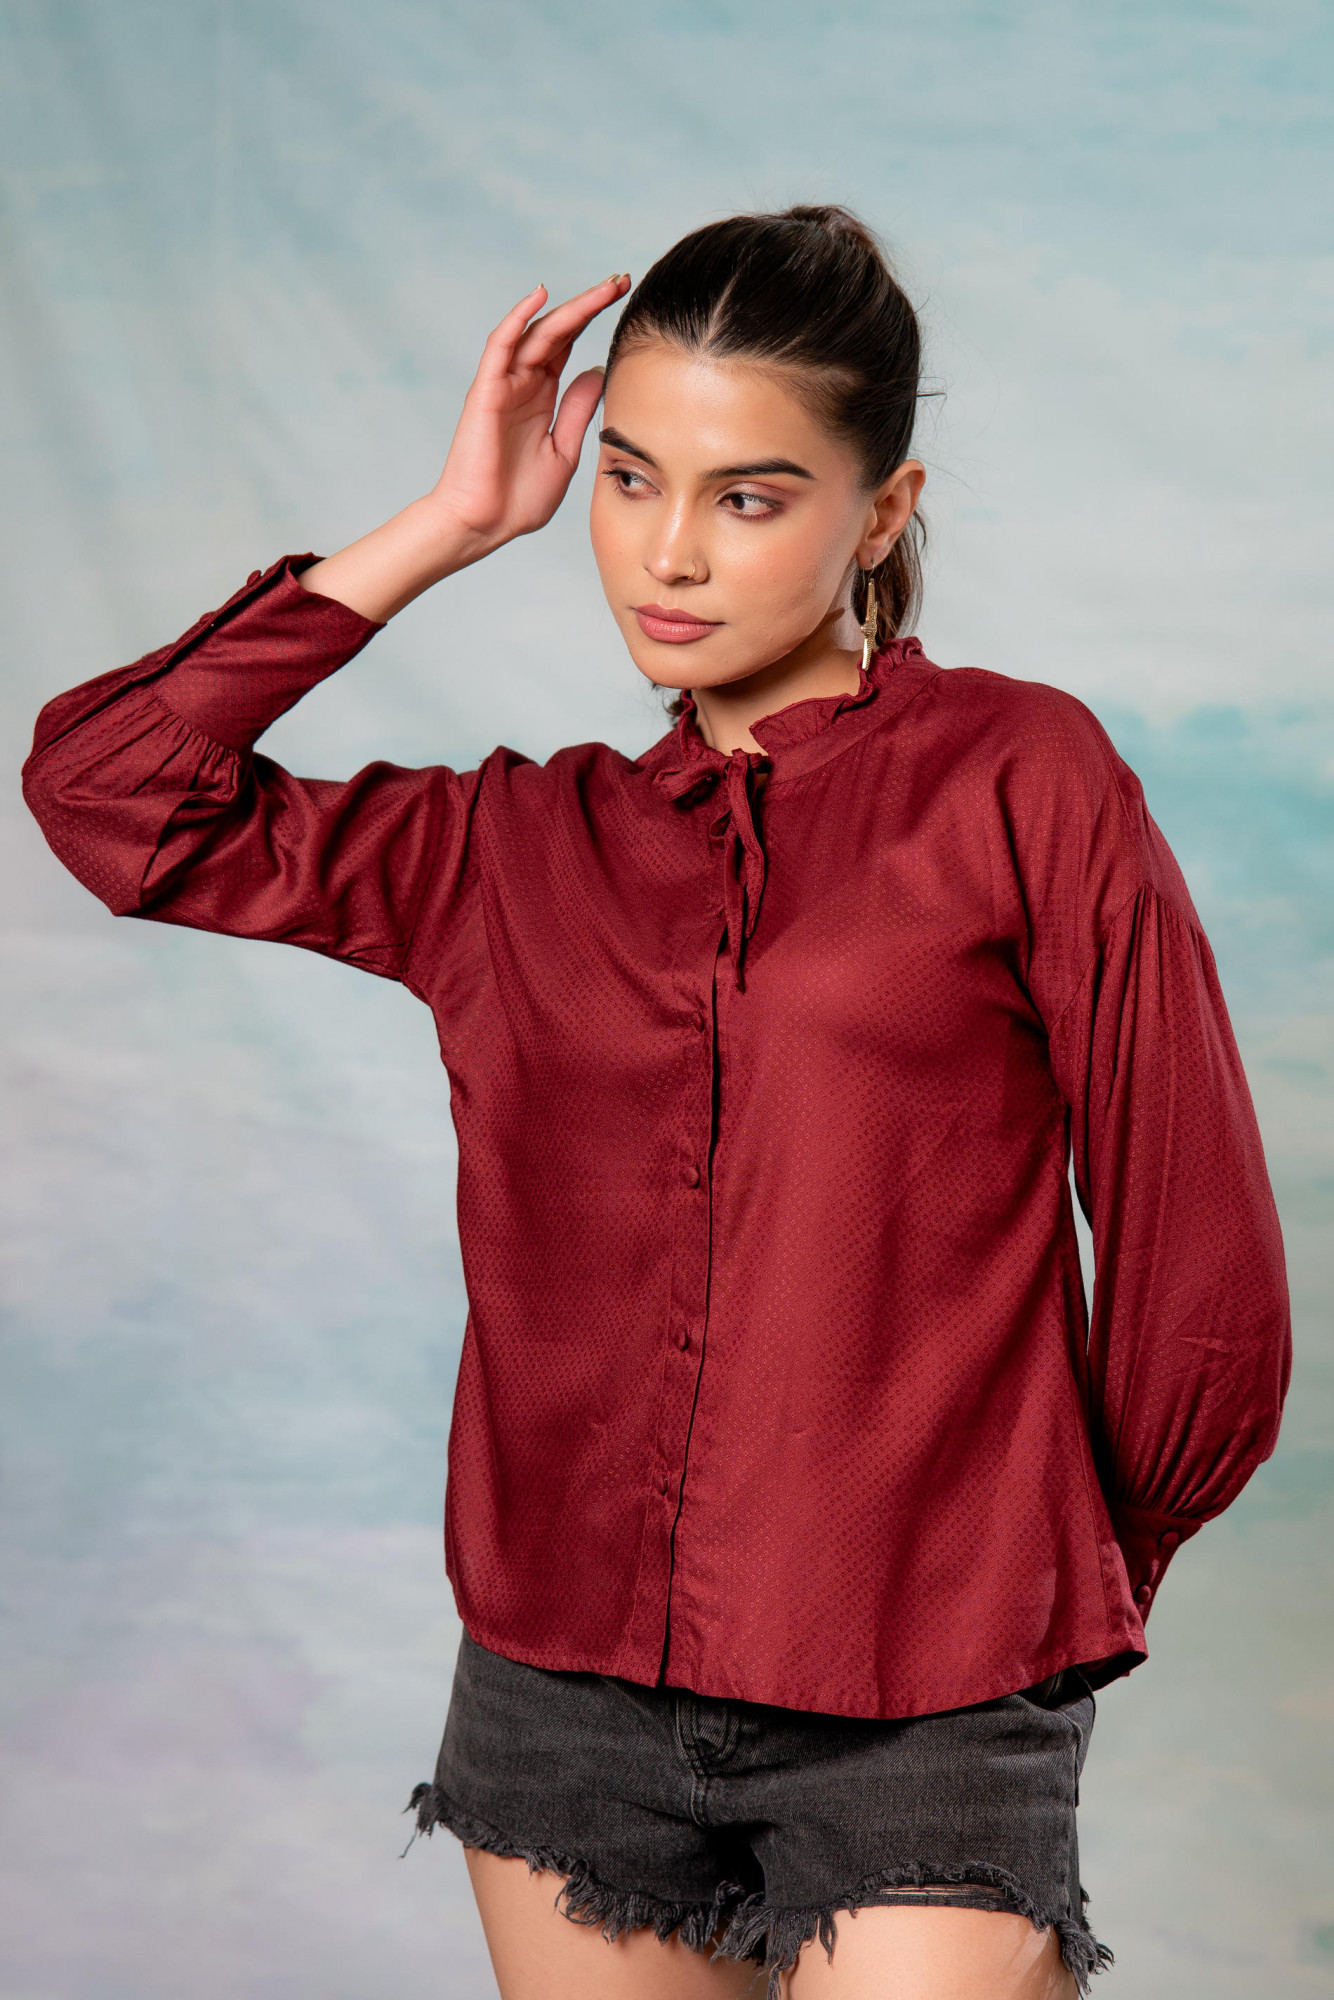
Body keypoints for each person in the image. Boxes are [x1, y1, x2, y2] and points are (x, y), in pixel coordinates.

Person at [22, 206, 1290, 2000]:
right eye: (627, 480)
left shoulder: (1024, 778)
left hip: (927, 1694)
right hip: (562, 1700)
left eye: (748, 497)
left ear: (883, 512)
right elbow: (111, 794)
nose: (666, 553)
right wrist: (450, 525)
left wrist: (1063, 1582)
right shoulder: (508, 846)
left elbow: (1192, 1246)